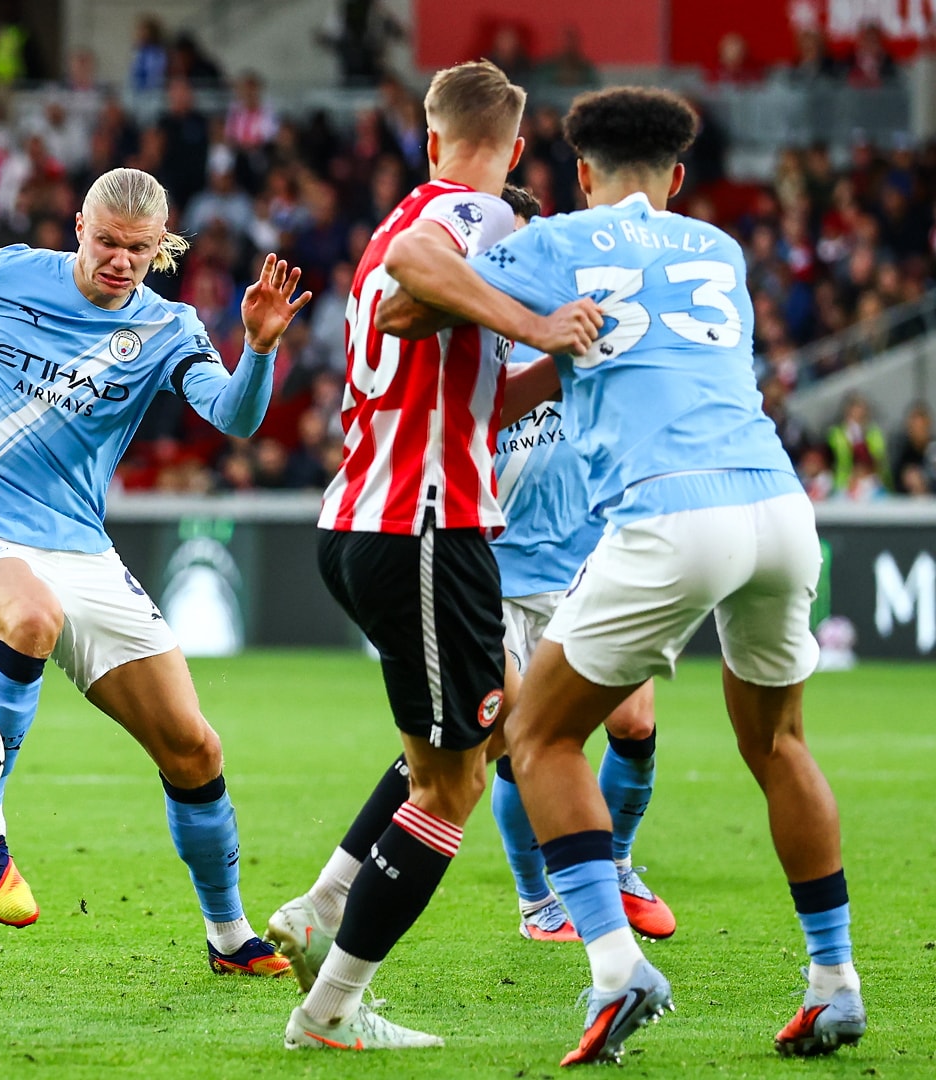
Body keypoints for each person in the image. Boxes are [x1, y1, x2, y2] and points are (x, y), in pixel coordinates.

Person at [378, 86, 865, 1065]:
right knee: (779, 744)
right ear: (678, 176)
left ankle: (613, 965)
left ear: (581, 173)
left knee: (536, 734)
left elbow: (406, 282)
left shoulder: (560, 239)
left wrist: (501, 316)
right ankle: (834, 982)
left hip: (668, 509)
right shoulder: (719, 250)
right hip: (777, 506)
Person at [0, 167, 312, 976]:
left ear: (161, 247)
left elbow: (235, 417)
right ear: (79, 226)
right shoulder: (5, 273)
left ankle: (228, 936)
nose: (119, 261)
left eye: (138, 250)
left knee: (194, 749)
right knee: (32, 618)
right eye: (107, 242)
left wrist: (257, 348)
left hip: (83, 552)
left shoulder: (168, 327)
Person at [263, 60, 600, 1052]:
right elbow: (421, 264)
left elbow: (455, 372)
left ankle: (325, 905)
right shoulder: (470, 216)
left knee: (499, 723)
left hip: (377, 521)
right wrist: (538, 319)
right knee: (449, 786)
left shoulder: (406, 222)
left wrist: (553, 362)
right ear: (516, 148)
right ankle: (330, 1010)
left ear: (429, 135)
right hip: (422, 527)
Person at [480, 186, 674, 945]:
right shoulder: (471, 342)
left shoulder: (587, 329)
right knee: (517, 741)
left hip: (587, 560)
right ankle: (538, 902)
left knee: (634, 721)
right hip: (495, 573)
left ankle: (616, 862)